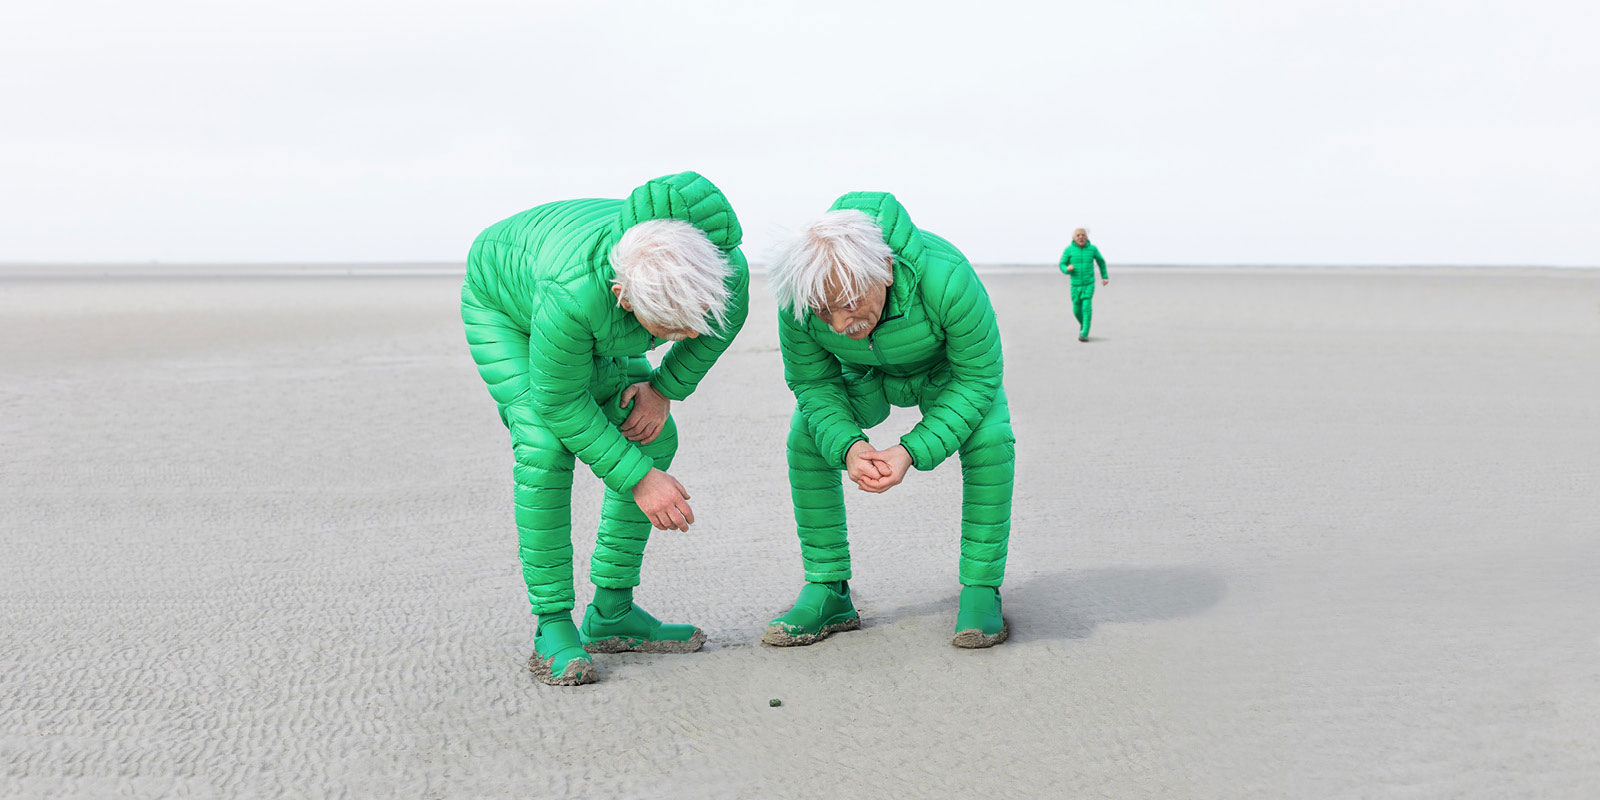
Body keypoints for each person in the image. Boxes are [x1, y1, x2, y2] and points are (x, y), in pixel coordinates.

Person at [460, 172, 749, 685]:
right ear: (623, 296)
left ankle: (612, 613)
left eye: (691, 321)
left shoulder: (721, 266)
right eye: (666, 331)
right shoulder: (574, 293)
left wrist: (663, 388)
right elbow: (561, 399)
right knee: (545, 448)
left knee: (653, 432)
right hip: (505, 303)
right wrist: (640, 479)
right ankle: (552, 626)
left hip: (588, 304)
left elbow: (721, 323)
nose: (681, 336)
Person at [764, 192, 1014, 649]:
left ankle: (981, 588)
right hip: (863, 375)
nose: (838, 325)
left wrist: (910, 451)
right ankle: (828, 589)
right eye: (824, 312)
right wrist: (848, 446)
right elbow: (813, 385)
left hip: (947, 375)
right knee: (807, 437)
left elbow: (979, 378)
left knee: (991, 437)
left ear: (884, 267)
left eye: (850, 303)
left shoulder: (948, 279)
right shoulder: (798, 294)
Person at [1058, 228, 1108, 341]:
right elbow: (1061, 264)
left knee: (1086, 308)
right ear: (1074, 238)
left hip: (1088, 284)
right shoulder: (1069, 250)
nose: (1081, 237)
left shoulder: (1092, 249)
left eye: (1083, 235)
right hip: (1075, 285)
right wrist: (1067, 269)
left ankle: (1084, 333)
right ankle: (1084, 325)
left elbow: (1101, 261)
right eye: (1078, 235)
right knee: (1076, 309)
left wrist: (1104, 276)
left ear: (1087, 237)